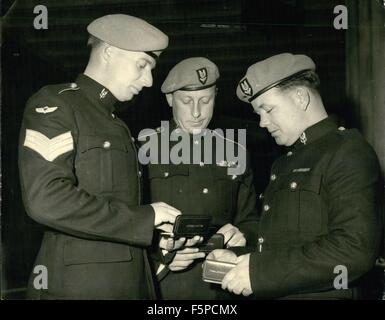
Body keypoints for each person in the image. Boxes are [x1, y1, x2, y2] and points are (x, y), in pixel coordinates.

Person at [18, 14, 181, 300]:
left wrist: (157, 241)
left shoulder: (117, 122)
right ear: (109, 53)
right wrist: (146, 217)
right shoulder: (55, 104)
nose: (148, 80)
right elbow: (46, 199)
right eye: (142, 65)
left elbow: (115, 216)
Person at [207, 53, 383, 299]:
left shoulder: (347, 151)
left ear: (300, 98)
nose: (262, 123)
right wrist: (239, 257)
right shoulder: (283, 163)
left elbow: (354, 250)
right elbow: (283, 243)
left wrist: (258, 273)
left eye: (267, 110)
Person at [139, 57, 258, 299]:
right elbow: (124, 221)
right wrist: (160, 256)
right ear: (170, 99)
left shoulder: (235, 153)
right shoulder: (143, 150)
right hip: (163, 288)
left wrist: (243, 236)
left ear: (216, 96)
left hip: (222, 288)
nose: (196, 112)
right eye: (186, 101)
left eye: (205, 101)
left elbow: (251, 221)